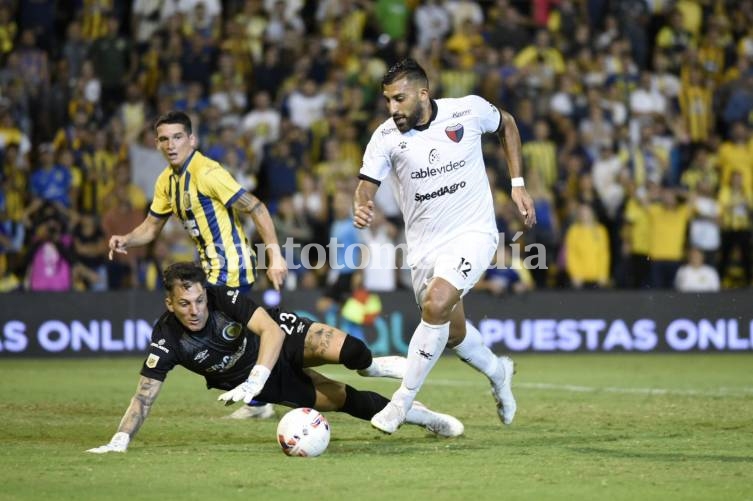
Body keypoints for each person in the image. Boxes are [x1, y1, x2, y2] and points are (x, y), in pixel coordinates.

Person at [86, 262, 463, 453]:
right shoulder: (168, 339)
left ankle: (375, 366)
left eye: (199, 300)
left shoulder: (221, 298)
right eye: (184, 304)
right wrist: (120, 439)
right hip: (267, 379)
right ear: (170, 303)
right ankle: (424, 418)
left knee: (353, 351)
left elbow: (271, 331)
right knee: (349, 402)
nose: (196, 309)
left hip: (279, 344)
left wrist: (254, 381)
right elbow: (143, 395)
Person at [353, 58, 536, 434]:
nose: (393, 109)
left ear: (423, 93)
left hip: (473, 233)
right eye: (388, 101)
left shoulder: (466, 111)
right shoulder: (386, 137)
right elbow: (366, 182)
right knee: (452, 332)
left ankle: (401, 402)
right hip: (424, 248)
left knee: (436, 303)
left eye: (399, 99)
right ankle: (499, 372)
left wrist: (517, 183)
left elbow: (509, 124)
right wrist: (362, 201)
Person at [108, 110, 287, 418]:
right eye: (164, 139)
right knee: (229, 335)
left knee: (216, 337)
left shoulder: (207, 173)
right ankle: (261, 397)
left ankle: (269, 392)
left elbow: (256, 206)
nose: (170, 144)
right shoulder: (166, 181)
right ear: (157, 144)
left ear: (192, 139)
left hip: (233, 265)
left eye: (177, 137)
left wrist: (275, 254)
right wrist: (127, 238)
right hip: (208, 268)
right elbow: (151, 228)